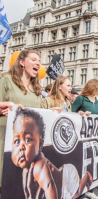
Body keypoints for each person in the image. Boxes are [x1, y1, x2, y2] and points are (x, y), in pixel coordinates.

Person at [12, 107, 93, 199]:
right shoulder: (26, 170)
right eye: (17, 141)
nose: (21, 147)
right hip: (63, 173)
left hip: (65, 179)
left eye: (27, 139)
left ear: (40, 143)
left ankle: (86, 176)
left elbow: (49, 186)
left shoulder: (39, 165)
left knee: (76, 194)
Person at [0, 49, 42, 188]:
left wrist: (51, 112)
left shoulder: (37, 90)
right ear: (22, 62)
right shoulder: (7, 80)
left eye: (39, 61)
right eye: (34, 60)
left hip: (27, 147)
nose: (38, 63)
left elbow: (37, 114)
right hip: (6, 140)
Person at [71, 79, 98, 199]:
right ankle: (78, 189)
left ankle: (89, 188)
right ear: (94, 87)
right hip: (81, 134)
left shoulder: (97, 101)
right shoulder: (81, 99)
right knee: (81, 161)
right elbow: (71, 113)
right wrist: (81, 113)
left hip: (92, 135)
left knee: (91, 161)